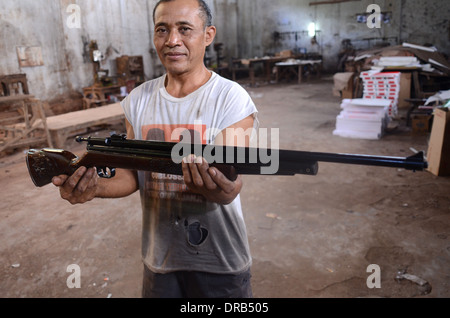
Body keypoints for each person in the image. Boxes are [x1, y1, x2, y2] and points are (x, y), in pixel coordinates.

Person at [52, 0, 258, 298]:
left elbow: (228, 187)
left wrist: (221, 188)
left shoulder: (232, 98)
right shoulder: (137, 100)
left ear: (208, 35)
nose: (172, 40)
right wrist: (92, 187)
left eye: (185, 29)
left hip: (220, 261)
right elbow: (132, 177)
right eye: (162, 29)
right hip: (160, 259)